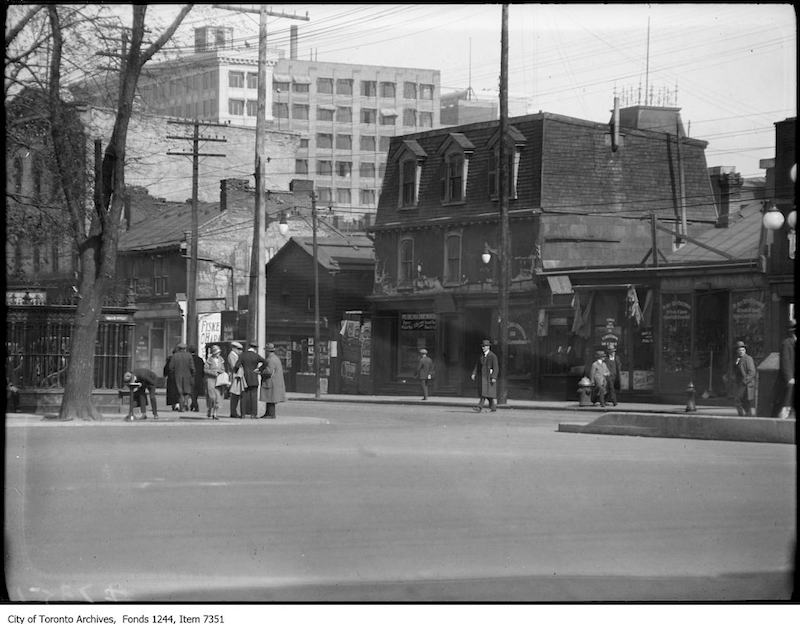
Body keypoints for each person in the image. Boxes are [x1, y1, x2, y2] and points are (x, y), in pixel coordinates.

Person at [235, 342, 266, 419]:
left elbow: (236, 365)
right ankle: (253, 414)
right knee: (253, 397)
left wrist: (237, 372)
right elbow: (265, 362)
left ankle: (243, 414)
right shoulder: (256, 356)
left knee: (243, 396)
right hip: (254, 378)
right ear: (255, 348)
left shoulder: (243, 355)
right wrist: (259, 369)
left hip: (244, 379)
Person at [773, 320, 796, 419]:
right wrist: (789, 377)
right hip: (789, 380)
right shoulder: (787, 343)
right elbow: (785, 361)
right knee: (786, 402)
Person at [470, 339, 499, 412]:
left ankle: (479, 407)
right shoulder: (481, 356)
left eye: (485, 346)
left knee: (485, 392)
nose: (483, 348)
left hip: (489, 377)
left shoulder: (493, 356)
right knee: (487, 393)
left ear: (488, 347)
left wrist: (494, 377)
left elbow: (496, 367)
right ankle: (493, 407)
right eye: (482, 346)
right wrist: (474, 373)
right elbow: (477, 365)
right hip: (482, 377)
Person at [259, 343, 286, 419]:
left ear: (267, 351)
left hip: (271, 382)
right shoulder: (276, 358)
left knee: (270, 398)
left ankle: (270, 414)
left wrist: (260, 372)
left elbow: (268, 371)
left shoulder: (270, 360)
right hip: (275, 382)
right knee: (269, 398)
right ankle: (268, 413)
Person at [167, 343, 195, 412]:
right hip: (187, 376)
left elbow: (170, 367)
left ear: (178, 349)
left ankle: (182, 407)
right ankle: (185, 402)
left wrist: (172, 374)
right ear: (185, 349)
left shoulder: (175, 356)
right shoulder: (189, 356)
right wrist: (193, 374)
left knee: (180, 392)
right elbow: (192, 367)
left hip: (177, 376)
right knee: (187, 391)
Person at [732, 340, 756, 417]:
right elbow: (735, 370)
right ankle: (745, 416)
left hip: (746, 384)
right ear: (737, 351)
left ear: (745, 350)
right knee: (742, 401)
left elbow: (752, 372)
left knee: (739, 400)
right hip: (739, 383)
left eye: (743, 350)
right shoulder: (737, 359)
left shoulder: (748, 359)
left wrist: (744, 381)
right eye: (739, 350)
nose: (741, 352)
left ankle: (743, 416)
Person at [203, 345, 227, 420]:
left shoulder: (221, 360)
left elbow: (223, 368)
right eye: (216, 352)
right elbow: (205, 370)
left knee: (218, 397)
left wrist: (221, 371)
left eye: (219, 352)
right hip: (210, 379)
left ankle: (215, 413)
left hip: (219, 380)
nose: (218, 354)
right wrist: (213, 372)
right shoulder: (209, 360)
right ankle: (210, 408)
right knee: (211, 396)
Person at [227, 341, 244, 418]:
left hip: (237, 377)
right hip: (235, 377)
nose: (240, 351)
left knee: (236, 395)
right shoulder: (232, 355)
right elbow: (234, 367)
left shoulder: (236, 356)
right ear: (234, 348)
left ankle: (234, 411)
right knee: (234, 395)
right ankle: (233, 412)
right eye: (238, 349)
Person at [188, 345, 205, 412]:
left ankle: (196, 406)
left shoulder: (189, 359)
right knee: (196, 393)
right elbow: (203, 369)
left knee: (192, 393)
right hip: (199, 379)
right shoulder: (200, 359)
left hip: (192, 377)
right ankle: (192, 405)